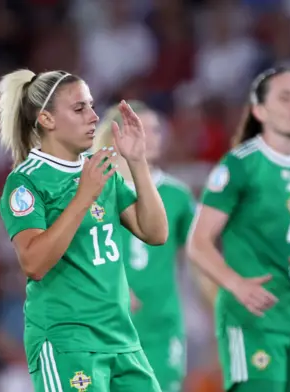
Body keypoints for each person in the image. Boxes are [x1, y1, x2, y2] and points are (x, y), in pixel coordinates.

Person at [0, 69, 169, 392]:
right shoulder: (26, 182)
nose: (93, 117)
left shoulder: (100, 168)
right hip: (67, 339)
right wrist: (83, 196)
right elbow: (33, 262)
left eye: (91, 106)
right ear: (46, 120)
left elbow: (155, 233)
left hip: (121, 338)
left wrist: (137, 162)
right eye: (79, 109)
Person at [187, 66, 290, 392]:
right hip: (253, 316)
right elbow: (198, 243)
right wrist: (236, 285)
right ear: (260, 111)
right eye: (286, 97)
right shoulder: (239, 166)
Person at [93, 101, 195, 392]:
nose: (152, 136)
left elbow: (200, 253)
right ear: (118, 136)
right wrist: (114, 285)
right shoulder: (95, 190)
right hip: (107, 323)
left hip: (160, 325)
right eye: (143, 128)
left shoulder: (177, 195)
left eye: (157, 129)